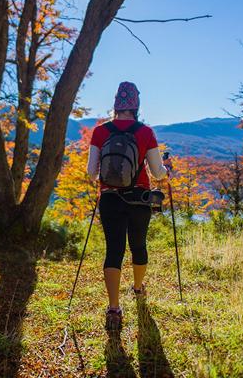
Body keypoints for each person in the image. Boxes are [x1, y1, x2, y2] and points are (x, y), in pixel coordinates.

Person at [87, 81, 167, 331]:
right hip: (139, 199)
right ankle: (137, 288)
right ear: (136, 105)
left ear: (116, 104)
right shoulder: (145, 132)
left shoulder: (100, 131)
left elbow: (91, 173)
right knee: (138, 245)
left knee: (114, 250)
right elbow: (157, 172)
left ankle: (113, 308)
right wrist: (166, 169)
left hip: (110, 198)